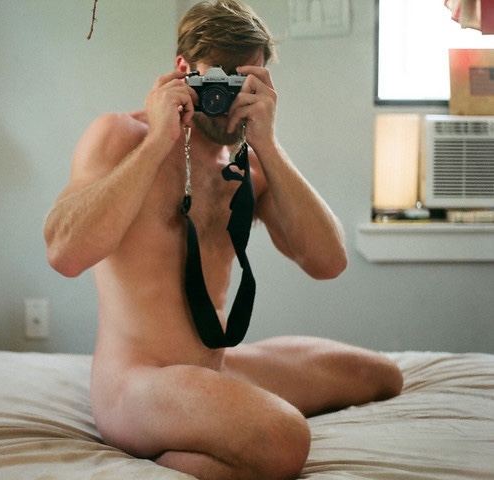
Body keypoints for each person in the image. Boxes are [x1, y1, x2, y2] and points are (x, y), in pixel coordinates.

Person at [44, 1, 403, 479]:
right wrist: (158, 142)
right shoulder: (122, 137)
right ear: (183, 70)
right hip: (137, 382)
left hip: (215, 367)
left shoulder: (250, 167)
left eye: (242, 82)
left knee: (382, 377)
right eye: (217, 78)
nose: (226, 98)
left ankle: (205, 436)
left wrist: (268, 144)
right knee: (284, 438)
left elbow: (328, 262)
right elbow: (64, 253)